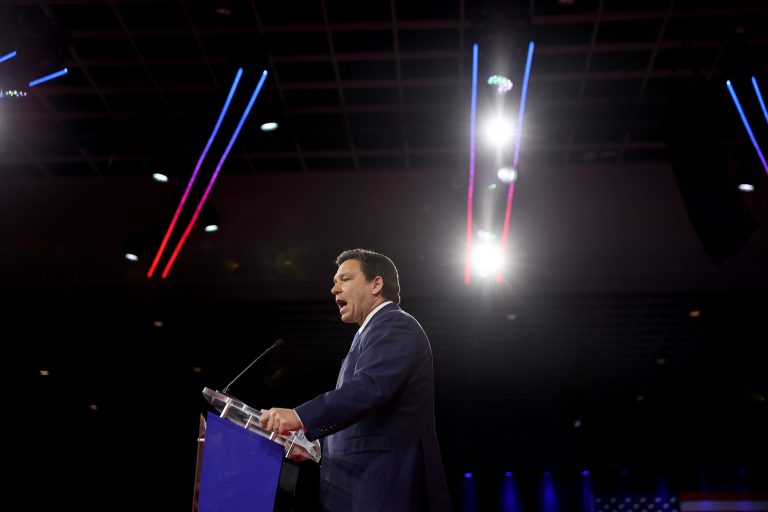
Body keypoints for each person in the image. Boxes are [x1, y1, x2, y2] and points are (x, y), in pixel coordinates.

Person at [259, 248, 451, 511]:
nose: (334, 289)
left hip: (385, 489)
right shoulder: (369, 332)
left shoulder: (394, 324)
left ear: (376, 284)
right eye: (335, 281)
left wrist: (301, 417)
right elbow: (364, 419)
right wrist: (316, 447)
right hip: (359, 490)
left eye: (345, 279)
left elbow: (369, 389)